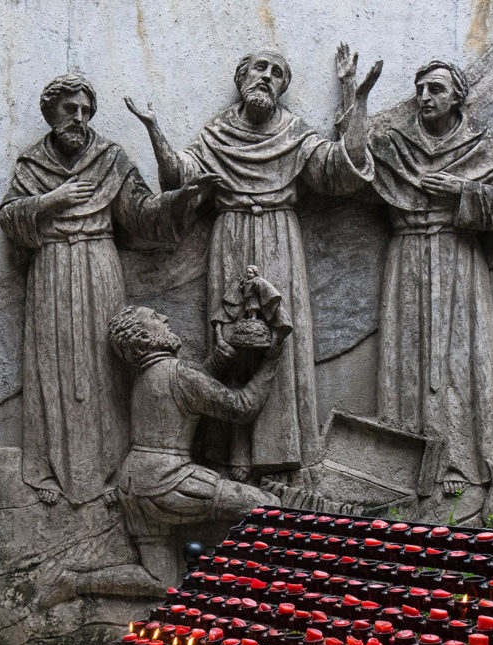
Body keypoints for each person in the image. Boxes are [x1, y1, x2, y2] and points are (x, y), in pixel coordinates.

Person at [127, 46, 380, 481]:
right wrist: (154, 129)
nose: (267, 77)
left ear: (283, 87)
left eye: (278, 72)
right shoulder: (216, 135)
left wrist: (358, 101)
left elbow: (340, 170)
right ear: (241, 77)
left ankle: (283, 455)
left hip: (281, 236)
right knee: (232, 341)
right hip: (231, 238)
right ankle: (234, 456)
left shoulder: (294, 133)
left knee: (280, 342)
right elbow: (180, 177)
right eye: (260, 68)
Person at [1, 74, 217, 506]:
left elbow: (140, 214)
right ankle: (50, 468)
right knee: (54, 362)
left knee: (104, 366)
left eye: (85, 110)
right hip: (52, 268)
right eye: (70, 109)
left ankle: (109, 468)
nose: (78, 118)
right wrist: (50, 201)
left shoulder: (110, 158)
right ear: (51, 111)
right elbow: (9, 218)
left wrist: (177, 199)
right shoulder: (31, 165)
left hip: (100, 265)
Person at [369, 60, 493, 516]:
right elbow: (353, 171)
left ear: (457, 95)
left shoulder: (477, 146)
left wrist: (464, 190)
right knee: (406, 360)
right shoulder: (395, 146)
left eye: (435, 88)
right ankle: (405, 465)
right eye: (419, 88)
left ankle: (460, 463)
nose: (424, 96)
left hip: (459, 258)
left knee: (460, 361)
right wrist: (352, 101)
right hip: (407, 257)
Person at [109, 305, 283, 584]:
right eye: (154, 317)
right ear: (143, 338)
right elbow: (241, 407)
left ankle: (75, 582)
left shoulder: (144, 377)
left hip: (133, 484)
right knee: (268, 506)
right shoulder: (180, 372)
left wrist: (217, 362)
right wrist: (271, 361)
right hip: (170, 481)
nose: (164, 317)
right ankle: (254, 590)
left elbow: (181, 400)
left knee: (160, 580)